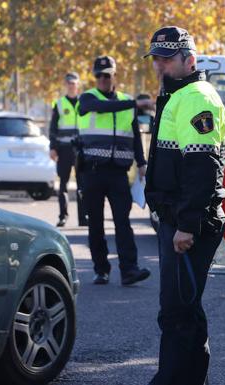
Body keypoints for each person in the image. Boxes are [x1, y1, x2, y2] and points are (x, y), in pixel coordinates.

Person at [144, 26, 225, 385]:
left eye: (167, 58)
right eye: (156, 59)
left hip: (188, 220)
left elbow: (201, 167)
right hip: (176, 216)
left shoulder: (196, 97)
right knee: (185, 310)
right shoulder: (177, 95)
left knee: (176, 312)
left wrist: (187, 225)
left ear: (189, 60)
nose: (160, 65)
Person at [76, 55, 154, 286]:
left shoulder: (126, 101)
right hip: (91, 172)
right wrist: (135, 104)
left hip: (118, 173)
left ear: (114, 76)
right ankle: (101, 270)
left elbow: (136, 137)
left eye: (107, 75)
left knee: (123, 223)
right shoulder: (88, 98)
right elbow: (99, 107)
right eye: (99, 75)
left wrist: (141, 163)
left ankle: (129, 270)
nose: (103, 79)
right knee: (96, 224)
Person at [49, 72, 87, 227]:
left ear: (78, 85)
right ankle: (63, 216)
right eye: (69, 83)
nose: (72, 86)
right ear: (66, 85)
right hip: (64, 149)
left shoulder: (85, 103)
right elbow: (53, 128)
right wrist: (53, 148)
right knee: (63, 184)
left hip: (80, 149)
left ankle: (83, 218)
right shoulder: (59, 104)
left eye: (74, 83)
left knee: (82, 184)